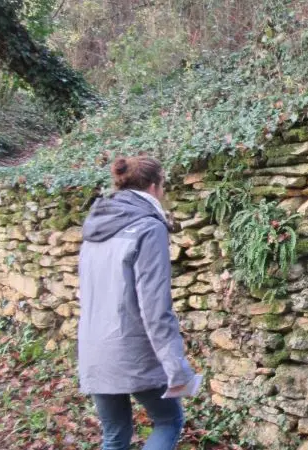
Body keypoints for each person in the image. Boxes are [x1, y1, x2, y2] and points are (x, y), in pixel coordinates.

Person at [78, 156, 196, 450]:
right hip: (133, 350)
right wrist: (176, 367)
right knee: (169, 422)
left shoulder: (94, 226)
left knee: (115, 436)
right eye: (164, 186)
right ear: (155, 187)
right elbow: (155, 307)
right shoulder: (148, 227)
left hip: (94, 349)